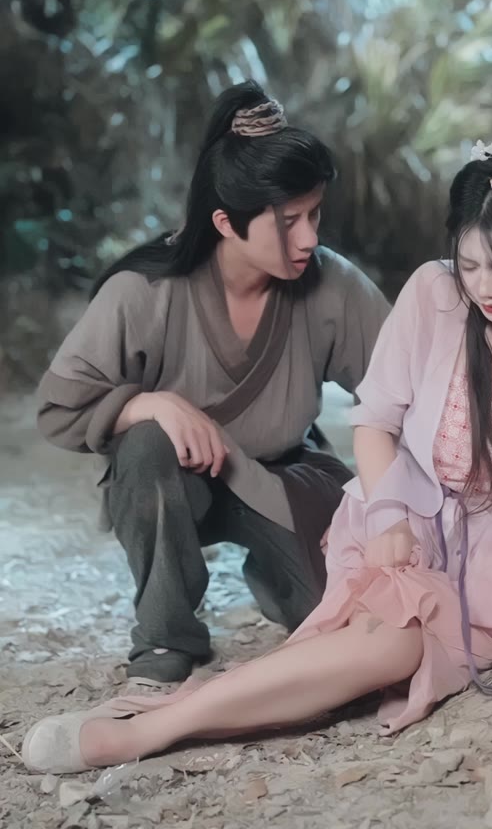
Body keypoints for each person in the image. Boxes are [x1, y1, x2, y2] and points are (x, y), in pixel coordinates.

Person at [23, 132, 492, 774]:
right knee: (377, 642)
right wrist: (390, 513)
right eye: (469, 265)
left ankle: (156, 725)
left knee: (386, 646)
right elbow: (375, 415)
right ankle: (154, 717)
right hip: (421, 513)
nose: (484, 287)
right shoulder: (436, 295)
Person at [35, 81, 389, 683]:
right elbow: (57, 408)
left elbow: (402, 388)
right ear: (226, 222)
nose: (309, 237)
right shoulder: (143, 292)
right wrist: (148, 405)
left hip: (284, 476)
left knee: (345, 616)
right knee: (144, 444)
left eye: (314, 214)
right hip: (176, 481)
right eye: (289, 221)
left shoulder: (334, 285)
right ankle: (166, 632)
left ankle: (275, 575)